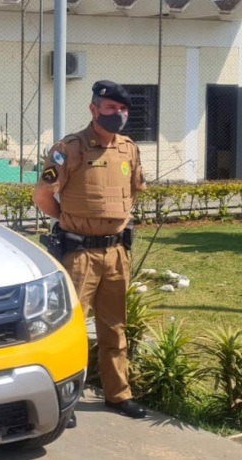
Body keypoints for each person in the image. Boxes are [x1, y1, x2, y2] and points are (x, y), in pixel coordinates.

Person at [32, 80, 148, 419]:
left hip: (116, 254)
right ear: (94, 109)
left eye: (123, 110)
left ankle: (118, 394)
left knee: (115, 327)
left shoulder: (128, 148)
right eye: (111, 108)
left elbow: (133, 192)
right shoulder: (69, 148)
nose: (119, 115)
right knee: (71, 329)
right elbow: (42, 197)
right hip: (79, 254)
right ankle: (65, 402)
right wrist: (69, 220)